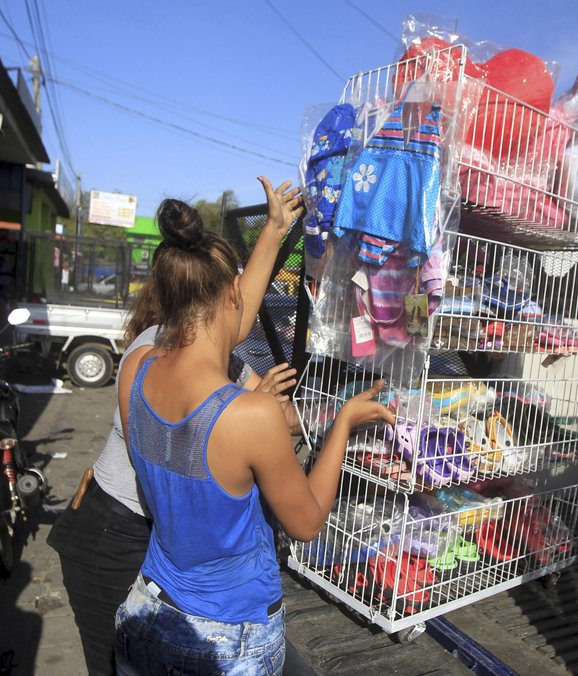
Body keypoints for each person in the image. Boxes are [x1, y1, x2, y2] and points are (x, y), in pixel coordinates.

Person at [113, 195, 394, 674]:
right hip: (226, 639)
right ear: (228, 295)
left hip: (146, 613)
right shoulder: (251, 415)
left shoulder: (135, 368)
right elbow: (305, 525)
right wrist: (343, 424)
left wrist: (273, 231)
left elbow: (226, 327)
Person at [46, 177, 301, 676]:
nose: (240, 310)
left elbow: (243, 316)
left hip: (162, 542)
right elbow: (190, 437)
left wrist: (273, 229)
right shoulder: (148, 354)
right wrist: (248, 411)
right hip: (112, 532)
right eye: (233, 297)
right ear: (210, 298)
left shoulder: (211, 350)